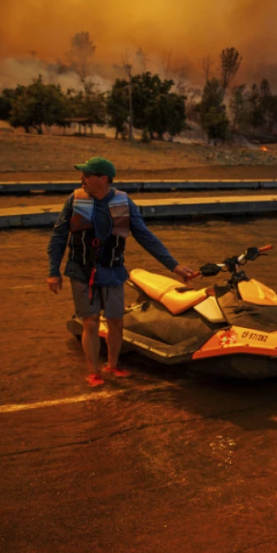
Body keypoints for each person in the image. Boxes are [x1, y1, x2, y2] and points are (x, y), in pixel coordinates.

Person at [47, 156, 196, 387]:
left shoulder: (123, 203)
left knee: (116, 322)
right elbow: (58, 236)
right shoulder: (76, 200)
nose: (81, 178)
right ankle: (93, 371)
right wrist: (53, 271)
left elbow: (145, 236)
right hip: (81, 271)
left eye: (86, 175)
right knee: (90, 322)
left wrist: (174, 266)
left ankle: (113, 365)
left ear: (103, 179)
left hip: (113, 271)